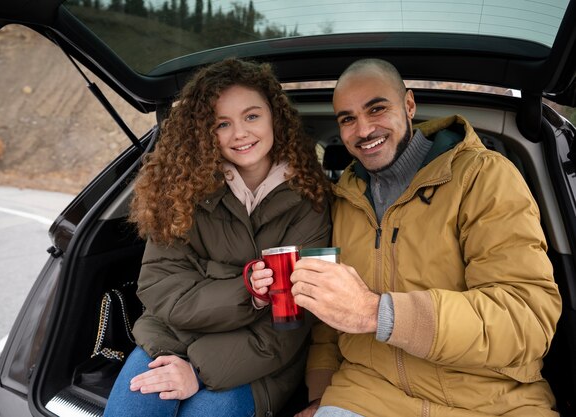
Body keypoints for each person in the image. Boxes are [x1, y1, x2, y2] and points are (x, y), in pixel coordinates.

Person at [288, 58, 562, 417]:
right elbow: (327, 320)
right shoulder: (343, 201)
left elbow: (526, 320)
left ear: (409, 105)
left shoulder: (484, 177)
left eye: (377, 108)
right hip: (367, 392)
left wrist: (378, 313)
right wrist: (319, 394)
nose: (363, 129)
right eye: (347, 119)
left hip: (491, 399)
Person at [103, 57, 332, 417]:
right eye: (222, 123)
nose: (240, 133)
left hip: (258, 361)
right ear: (205, 132)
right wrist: (250, 294)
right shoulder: (181, 189)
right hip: (168, 340)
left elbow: (292, 320)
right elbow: (160, 287)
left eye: (251, 116)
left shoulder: (313, 202)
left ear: (275, 116)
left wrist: (196, 370)